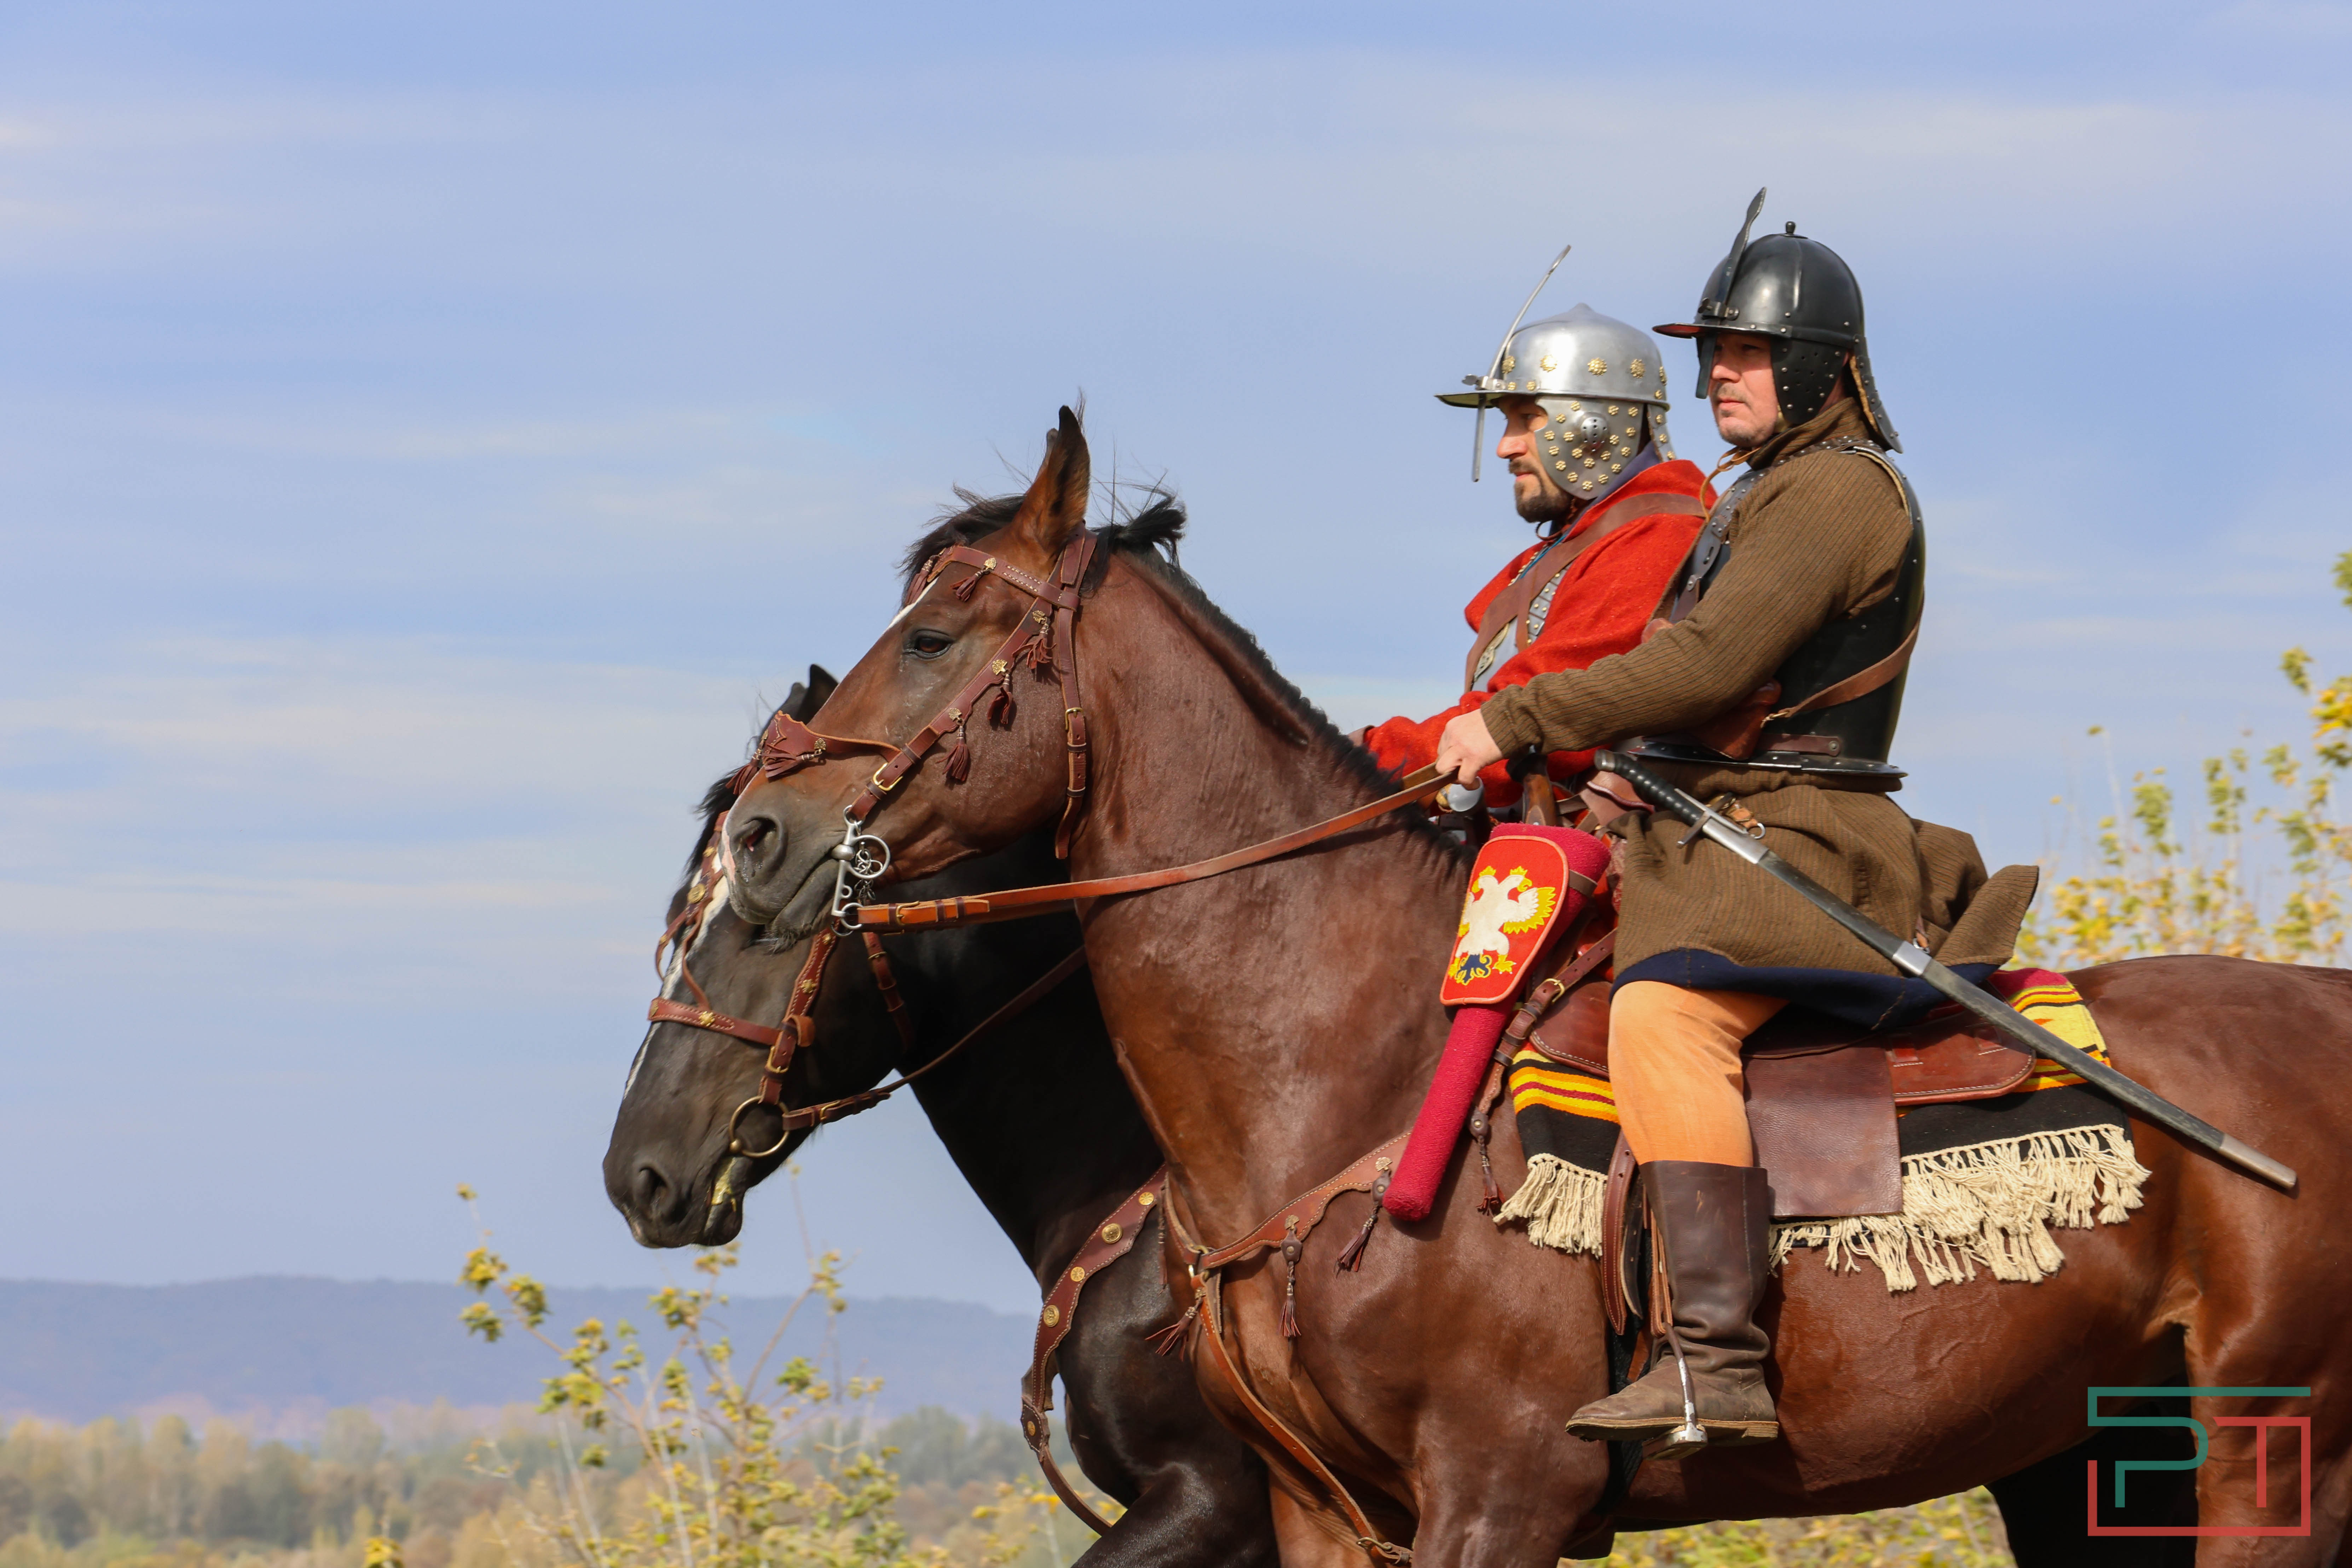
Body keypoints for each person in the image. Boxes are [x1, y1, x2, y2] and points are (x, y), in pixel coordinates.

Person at [1432, 196, 2033, 1453]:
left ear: (1820, 368)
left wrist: (1519, 716)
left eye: (1746, 354)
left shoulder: (1837, 494)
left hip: (1803, 841)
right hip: (1713, 827)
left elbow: (1707, 667)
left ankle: (1717, 1359)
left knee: (1665, 1012)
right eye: (1712, 353)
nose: (1717, 376)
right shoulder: (1760, 493)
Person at [1357, 303, 1712, 810]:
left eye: (1527, 419)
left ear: (1596, 426)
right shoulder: (1577, 541)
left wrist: (1365, 760)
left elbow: (1542, 713)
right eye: (1506, 421)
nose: (1506, 447)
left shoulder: (1659, 540)